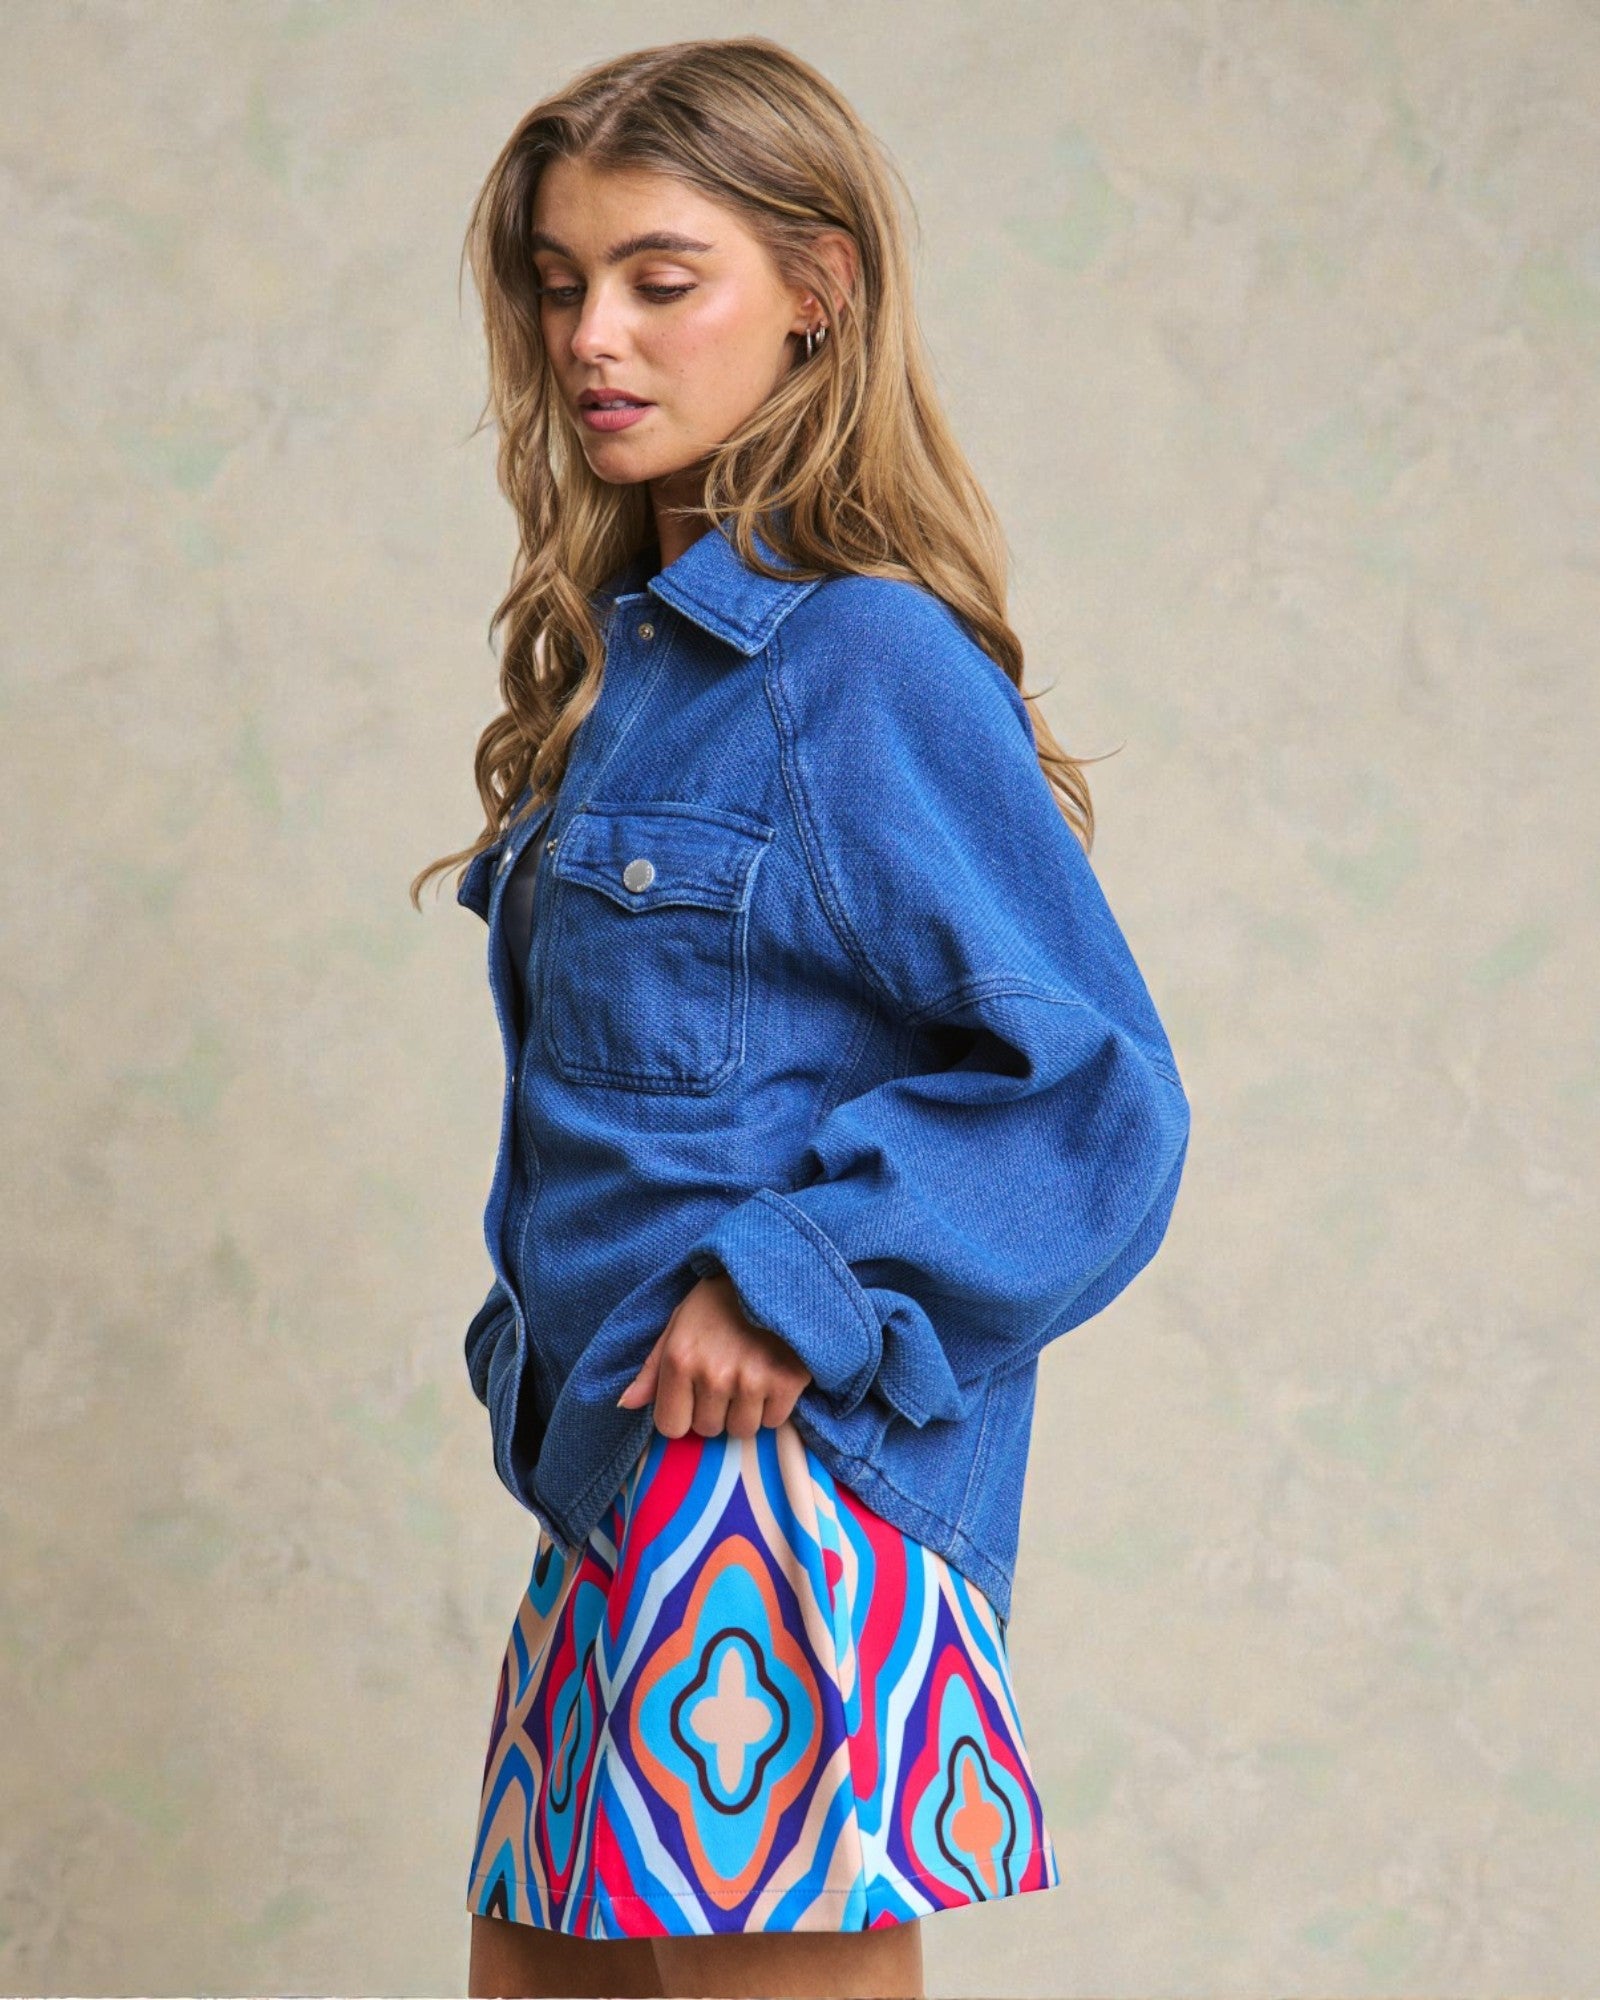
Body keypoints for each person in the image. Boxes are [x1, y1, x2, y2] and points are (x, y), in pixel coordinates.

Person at [411, 35, 1191, 2000]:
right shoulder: (639, 673)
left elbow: (1093, 1090)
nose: (593, 331)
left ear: (815, 290)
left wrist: (797, 1271)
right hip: (612, 1477)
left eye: (660, 279)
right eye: (558, 279)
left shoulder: (855, 656)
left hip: (779, 1505)